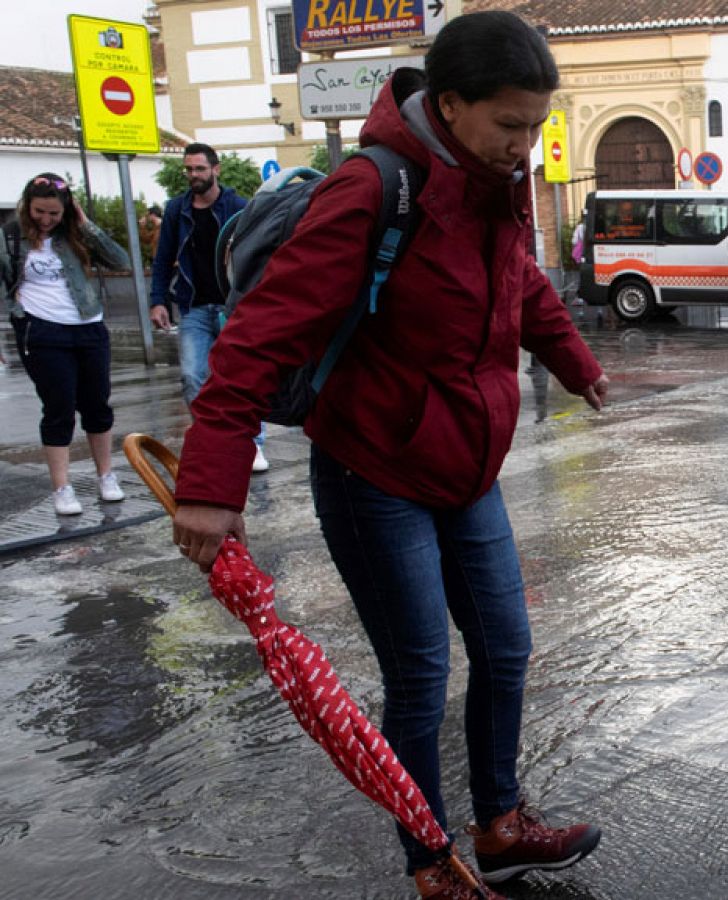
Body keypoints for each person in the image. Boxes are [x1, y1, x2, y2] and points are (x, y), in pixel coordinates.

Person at [168, 13, 609, 898]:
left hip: (466, 469)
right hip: (374, 473)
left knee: (507, 650)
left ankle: (499, 824)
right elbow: (255, 338)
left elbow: (519, 283)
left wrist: (576, 363)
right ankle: (429, 861)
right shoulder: (373, 189)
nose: (525, 147)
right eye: (510, 126)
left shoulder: (494, 187)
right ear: (449, 104)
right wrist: (210, 483)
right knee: (420, 672)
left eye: (536, 127)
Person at [1, 174, 131, 515]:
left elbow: (120, 261)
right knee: (58, 408)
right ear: (28, 206)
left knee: (97, 406)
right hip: (41, 331)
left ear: (67, 209)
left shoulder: (74, 234)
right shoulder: (12, 236)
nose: (46, 219)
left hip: (88, 327)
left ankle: (106, 476)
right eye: (39, 211)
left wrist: (85, 224)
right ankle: (62, 487)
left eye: (54, 213)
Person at [148, 143, 267, 471]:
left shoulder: (239, 207)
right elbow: (163, 259)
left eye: (199, 169)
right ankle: (212, 441)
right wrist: (157, 300)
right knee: (192, 376)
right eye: (188, 169)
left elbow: (255, 256)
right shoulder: (176, 210)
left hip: (232, 307)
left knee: (242, 376)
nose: (193, 175)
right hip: (194, 306)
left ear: (216, 170)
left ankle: (253, 444)